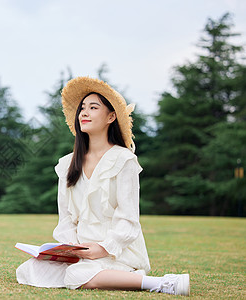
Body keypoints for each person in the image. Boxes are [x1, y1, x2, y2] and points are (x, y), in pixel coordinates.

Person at [16, 76, 190, 296]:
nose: (84, 113)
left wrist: (103, 248)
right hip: (80, 253)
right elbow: (66, 219)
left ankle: (157, 282)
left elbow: (128, 220)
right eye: (82, 109)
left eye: (93, 107)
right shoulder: (67, 164)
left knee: (74, 275)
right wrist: (71, 249)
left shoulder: (124, 160)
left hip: (117, 250)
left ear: (111, 116)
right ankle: (112, 277)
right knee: (29, 270)